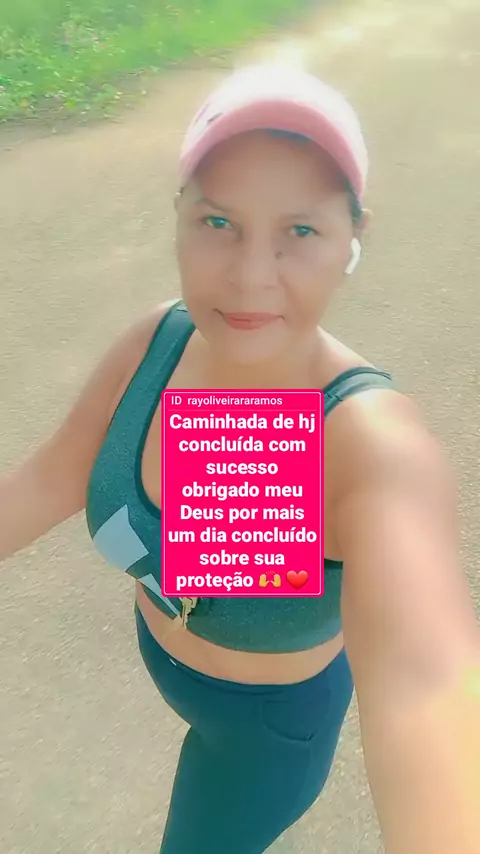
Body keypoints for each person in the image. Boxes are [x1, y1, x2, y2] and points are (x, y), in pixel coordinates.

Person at [1, 64, 479, 854]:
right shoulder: (161, 343)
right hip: (179, 672)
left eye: (301, 232)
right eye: (218, 222)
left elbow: (427, 690)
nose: (252, 277)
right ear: (179, 217)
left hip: (261, 741)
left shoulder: (364, 440)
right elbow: (49, 479)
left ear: (354, 238)